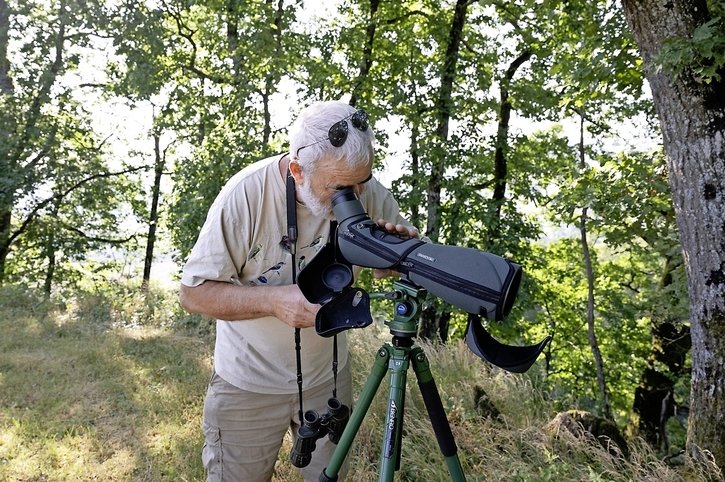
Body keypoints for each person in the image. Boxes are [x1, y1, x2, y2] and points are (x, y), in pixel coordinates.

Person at [179, 100, 420, 482]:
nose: (354, 198)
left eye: (363, 182)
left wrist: (397, 255)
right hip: (248, 383)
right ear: (297, 170)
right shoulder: (246, 195)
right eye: (340, 189)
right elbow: (193, 293)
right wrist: (275, 301)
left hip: (328, 377)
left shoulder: (362, 188)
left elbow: (395, 263)